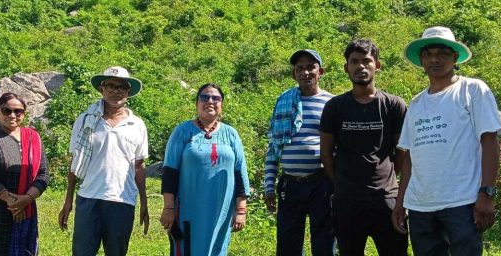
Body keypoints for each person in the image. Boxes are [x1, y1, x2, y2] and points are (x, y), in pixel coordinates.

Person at [392, 26, 501, 255]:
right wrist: (401, 201)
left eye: (442, 52)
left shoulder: (472, 90)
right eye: (428, 53)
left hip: (462, 203)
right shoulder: (416, 103)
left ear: (455, 57)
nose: (434, 59)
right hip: (421, 205)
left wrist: (487, 193)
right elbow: (410, 158)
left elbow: (490, 141)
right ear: (421, 59)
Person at [320, 39, 408, 255]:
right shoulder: (335, 107)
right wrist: (341, 183)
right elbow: (326, 154)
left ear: (377, 65)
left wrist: (388, 180)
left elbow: (403, 153)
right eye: (354, 61)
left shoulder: (394, 105)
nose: (361, 66)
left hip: (386, 199)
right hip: (347, 200)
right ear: (346, 67)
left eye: (366, 61)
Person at [59, 66, 149, 256]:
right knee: (82, 252)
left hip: (122, 200)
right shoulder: (85, 121)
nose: (116, 91)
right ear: (102, 89)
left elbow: (139, 166)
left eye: (121, 87)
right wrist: (68, 200)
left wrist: (144, 203)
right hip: (89, 198)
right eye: (110, 85)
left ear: (128, 91)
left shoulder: (137, 125)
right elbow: (75, 162)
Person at [159, 83, 251, 256]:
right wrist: (169, 208)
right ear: (197, 103)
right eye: (204, 97)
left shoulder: (231, 134)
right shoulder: (182, 131)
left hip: (221, 210)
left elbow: (240, 172)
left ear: (221, 104)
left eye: (216, 98)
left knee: (217, 249)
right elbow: (170, 172)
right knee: (184, 248)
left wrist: (241, 210)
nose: (210, 101)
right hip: (186, 210)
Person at [264, 49, 336, 255]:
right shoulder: (283, 101)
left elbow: (339, 147)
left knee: (323, 242)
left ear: (320, 71)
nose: (305, 72)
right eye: (300, 68)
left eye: (310, 67)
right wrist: (269, 185)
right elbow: (274, 145)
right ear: (294, 74)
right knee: (288, 244)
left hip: (322, 184)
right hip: (290, 185)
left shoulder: (332, 103)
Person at [0, 92, 50, 255]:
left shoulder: (33, 138)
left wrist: (26, 199)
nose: (12, 115)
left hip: (26, 207)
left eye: (18, 111)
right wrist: (11, 201)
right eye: (6, 110)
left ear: (24, 114)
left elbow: (44, 174)